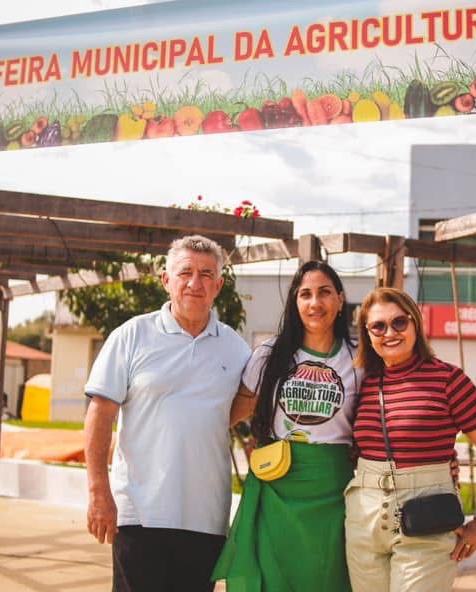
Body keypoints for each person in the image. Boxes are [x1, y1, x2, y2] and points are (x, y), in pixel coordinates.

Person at [83, 235, 251, 592]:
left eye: (207, 274)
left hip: (206, 518)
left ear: (219, 285)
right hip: (140, 514)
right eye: (185, 272)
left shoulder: (235, 348)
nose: (195, 283)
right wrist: (99, 492)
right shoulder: (131, 335)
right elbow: (100, 413)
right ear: (166, 280)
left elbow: (241, 406)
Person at [345, 287, 476, 592]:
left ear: (415, 324)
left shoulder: (448, 379)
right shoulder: (361, 384)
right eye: (378, 326)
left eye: (399, 322)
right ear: (367, 334)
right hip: (364, 520)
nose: (389, 332)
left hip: (427, 519)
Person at [213, 260, 359, 591]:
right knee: (271, 577)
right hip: (277, 484)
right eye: (305, 294)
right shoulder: (270, 354)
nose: (314, 303)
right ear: (295, 303)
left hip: (334, 490)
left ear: (340, 299)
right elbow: (231, 413)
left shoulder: (358, 359)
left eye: (324, 293)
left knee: (328, 578)